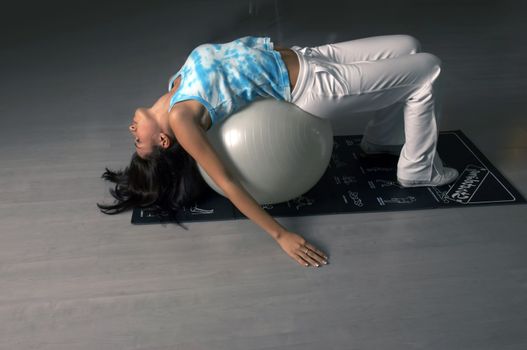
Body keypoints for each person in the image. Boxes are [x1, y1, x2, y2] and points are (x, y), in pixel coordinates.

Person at [98, 34, 459, 268]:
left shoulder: (173, 87)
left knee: (410, 45)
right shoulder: (181, 118)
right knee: (429, 69)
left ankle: (381, 141)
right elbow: (229, 180)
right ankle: (417, 170)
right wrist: (280, 234)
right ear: (164, 141)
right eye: (137, 141)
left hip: (309, 55)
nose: (132, 130)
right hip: (312, 85)